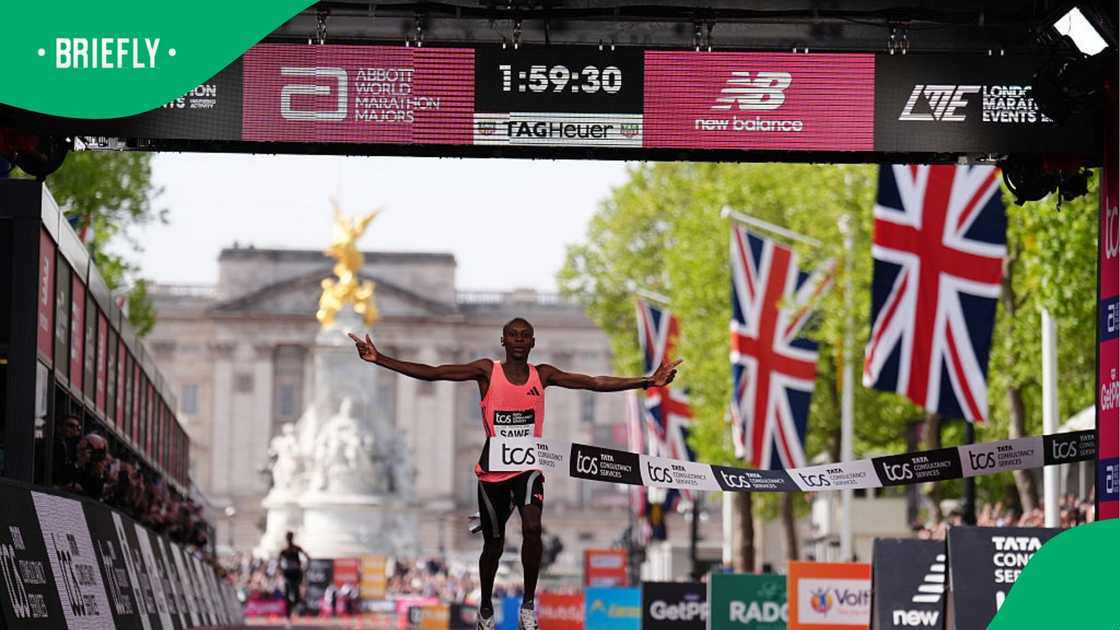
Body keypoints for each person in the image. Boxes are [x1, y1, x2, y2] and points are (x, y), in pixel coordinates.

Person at [349, 317, 681, 630]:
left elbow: (593, 382)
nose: (519, 341)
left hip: (528, 468)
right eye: (513, 335)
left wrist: (647, 381)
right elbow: (434, 372)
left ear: (533, 342)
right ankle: (486, 609)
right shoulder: (486, 371)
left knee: (533, 527)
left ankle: (528, 604)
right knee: (493, 546)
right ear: (503, 340)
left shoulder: (544, 374)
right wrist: (380, 359)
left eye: (525, 336)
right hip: (493, 471)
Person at [278, 531, 310, 624]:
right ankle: (289, 614)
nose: (289, 539)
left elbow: (307, 557)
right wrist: (281, 570)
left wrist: (304, 568)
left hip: (296, 573)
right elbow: (278, 562)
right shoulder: (284, 551)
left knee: (295, 594)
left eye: (290, 537)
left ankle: (293, 607)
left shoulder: (296, 548)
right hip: (288, 574)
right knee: (288, 594)